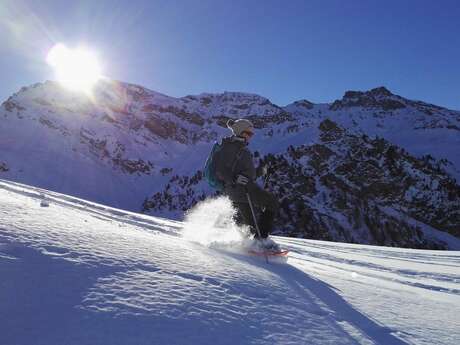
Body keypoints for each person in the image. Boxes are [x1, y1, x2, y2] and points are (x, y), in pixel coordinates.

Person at [217, 118, 279, 248]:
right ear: (240, 132)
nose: (251, 136)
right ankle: (260, 241)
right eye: (249, 133)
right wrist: (235, 178)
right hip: (242, 191)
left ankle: (248, 245)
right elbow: (221, 170)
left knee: (249, 227)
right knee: (271, 203)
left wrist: (263, 170)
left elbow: (248, 175)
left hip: (241, 190)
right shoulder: (230, 148)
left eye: (252, 134)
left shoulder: (240, 148)